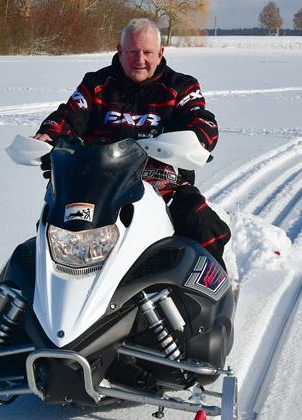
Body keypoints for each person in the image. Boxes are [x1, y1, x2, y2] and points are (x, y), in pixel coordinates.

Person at [33, 18, 230, 268]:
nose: (140, 60)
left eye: (147, 52)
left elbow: (202, 120)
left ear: (160, 53)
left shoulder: (180, 86)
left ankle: (215, 294)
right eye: (133, 52)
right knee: (52, 228)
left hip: (164, 187)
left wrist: (198, 138)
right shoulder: (96, 85)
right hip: (97, 187)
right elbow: (69, 114)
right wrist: (49, 135)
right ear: (119, 51)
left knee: (201, 224)